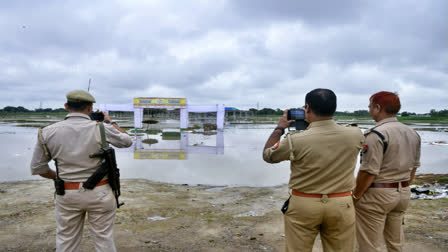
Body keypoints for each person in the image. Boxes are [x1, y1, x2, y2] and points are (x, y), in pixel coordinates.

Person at [263, 88, 364, 252]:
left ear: (307, 108)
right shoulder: (355, 134)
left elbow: (268, 155)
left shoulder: (295, 140)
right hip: (341, 203)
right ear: (334, 108)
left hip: (304, 203)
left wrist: (280, 128)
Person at [30, 90, 133, 252]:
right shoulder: (101, 128)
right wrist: (110, 122)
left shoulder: (47, 132)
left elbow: (38, 168)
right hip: (100, 192)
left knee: (66, 240)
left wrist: (58, 177)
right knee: (104, 239)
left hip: (66, 193)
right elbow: (127, 141)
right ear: (90, 108)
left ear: (66, 106)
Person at [353, 91, 421, 252]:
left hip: (378, 195)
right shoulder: (413, 133)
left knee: (369, 245)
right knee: (395, 242)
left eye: (370, 106)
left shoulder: (376, 134)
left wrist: (356, 196)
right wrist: (403, 186)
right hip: (402, 192)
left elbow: (368, 172)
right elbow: (413, 168)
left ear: (377, 107)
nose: (369, 110)